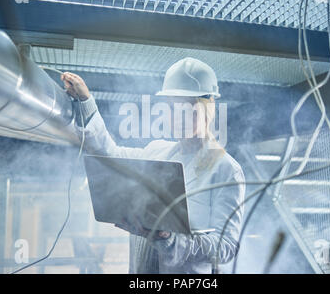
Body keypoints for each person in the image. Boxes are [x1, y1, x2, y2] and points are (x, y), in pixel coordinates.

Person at [61, 57, 245, 274]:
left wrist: (171, 239)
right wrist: (86, 103)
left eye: (188, 106)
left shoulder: (225, 170)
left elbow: (227, 246)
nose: (178, 115)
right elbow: (110, 157)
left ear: (209, 107)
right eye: (171, 107)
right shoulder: (157, 152)